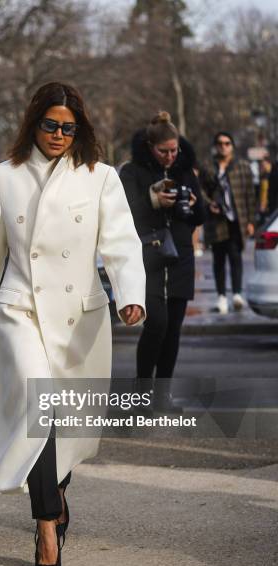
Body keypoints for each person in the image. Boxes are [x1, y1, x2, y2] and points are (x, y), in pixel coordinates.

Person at [0, 82, 146, 566]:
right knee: (38, 407)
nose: (60, 134)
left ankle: (56, 493)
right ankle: (45, 525)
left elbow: (122, 245)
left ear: (78, 128)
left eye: (69, 127)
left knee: (67, 420)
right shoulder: (0, 178)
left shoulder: (100, 178)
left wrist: (131, 296)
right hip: (20, 309)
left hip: (79, 316)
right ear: (33, 123)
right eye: (50, 125)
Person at [120, 111, 204, 412]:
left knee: (174, 330)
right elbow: (124, 213)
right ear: (149, 147)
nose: (170, 156)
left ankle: (162, 396)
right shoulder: (132, 172)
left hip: (179, 257)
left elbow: (201, 216)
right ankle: (142, 393)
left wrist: (190, 205)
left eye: (174, 150)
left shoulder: (185, 171)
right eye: (163, 151)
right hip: (149, 257)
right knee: (157, 324)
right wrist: (153, 201)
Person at [200, 132, 255, 314]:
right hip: (216, 221)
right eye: (220, 143)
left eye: (227, 143)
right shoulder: (208, 167)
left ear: (232, 145)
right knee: (218, 259)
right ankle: (222, 296)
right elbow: (200, 191)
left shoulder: (242, 166)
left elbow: (249, 194)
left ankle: (237, 294)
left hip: (237, 220)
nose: (223, 146)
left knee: (235, 257)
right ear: (215, 146)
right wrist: (210, 205)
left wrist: (250, 221)